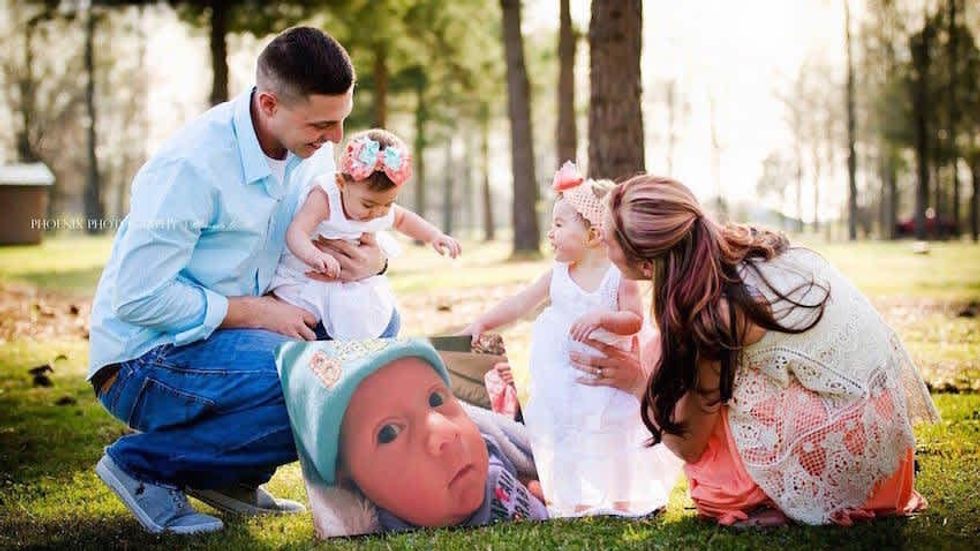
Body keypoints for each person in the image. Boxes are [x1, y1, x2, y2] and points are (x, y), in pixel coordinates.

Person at [87, 27, 385, 534]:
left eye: (342, 120)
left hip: (230, 336)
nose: (336, 138)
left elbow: (345, 220)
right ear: (269, 104)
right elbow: (138, 297)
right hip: (145, 357)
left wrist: (373, 262)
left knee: (372, 339)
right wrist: (257, 311)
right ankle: (143, 466)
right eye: (323, 124)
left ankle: (232, 473)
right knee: (319, 380)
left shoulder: (308, 147)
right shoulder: (191, 167)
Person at [574, 174, 939, 526]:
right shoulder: (733, 248)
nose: (601, 248)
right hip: (881, 431)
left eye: (606, 242)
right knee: (661, 353)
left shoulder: (714, 314)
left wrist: (637, 383)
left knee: (717, 485)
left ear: (647, 265)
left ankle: (786, 497)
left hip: (858, 457)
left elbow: (689, 443)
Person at [461, 162, 679, 517]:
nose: (551, 234)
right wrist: (483, 321)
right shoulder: (557, 275)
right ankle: (574, 498)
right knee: (565, 436)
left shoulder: (616, 277)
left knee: (616, 436)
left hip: (606, 381)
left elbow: (635, 319)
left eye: (560, 225)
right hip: (563, 379)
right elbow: (520, 304)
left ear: (594, 234)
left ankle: (623, 498)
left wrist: (604, 317)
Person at [276, 338, 548, 534]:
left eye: (435, 398)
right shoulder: (389, 529)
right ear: (347, 476)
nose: (446, 433)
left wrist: (535, 487)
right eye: (388, 432)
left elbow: (513, 473)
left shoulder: (489, 449)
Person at [269, 129, 461, 340]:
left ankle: (359, 354)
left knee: (364, 314)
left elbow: (404, 219)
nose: (378, 212)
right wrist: (315, 256)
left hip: (351, 280)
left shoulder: (379, 206)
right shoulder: (325, 198)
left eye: (388, 203)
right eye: (368, 204)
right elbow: (296, 233)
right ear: (341, 183)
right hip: (306, 275)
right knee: (302, 316)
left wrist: (434, 236)